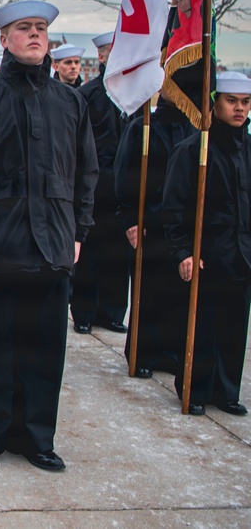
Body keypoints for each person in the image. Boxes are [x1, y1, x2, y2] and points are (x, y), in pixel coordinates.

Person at [0, 0, 98, 472]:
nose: (34, 35)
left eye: (41, 28)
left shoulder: (69, 102)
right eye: (24, 28)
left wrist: (79, 230)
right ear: (4, 39)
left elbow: (86, 172)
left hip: (53, 245)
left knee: (44, 347)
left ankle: (36, 437)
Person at [162, 72, 251, 416]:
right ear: (215, 103)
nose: (239, 109)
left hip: (241, 255)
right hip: (208, 255)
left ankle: (226, 391)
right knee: (202, 326)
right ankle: (195, 388)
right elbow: (174, 204)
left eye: (245, 102)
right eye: (232, 101)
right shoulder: (194, 149)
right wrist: (183, 250)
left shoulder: (247, 149)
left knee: (234, 328)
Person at [115, 93, 197, 378]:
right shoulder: (143, 126)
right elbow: (124, 172)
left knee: (177, 293)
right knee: (147, 290)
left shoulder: (195, 128)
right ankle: (142, 353)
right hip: (148, 221)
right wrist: (129, 218)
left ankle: (171, 353)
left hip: (181, 226)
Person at [71, 31, 129, 335]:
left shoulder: (136, 94)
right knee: (90, 253)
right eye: (111, 51)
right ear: (102, 57)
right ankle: (84, 311)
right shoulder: (87, 94)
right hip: (93, 186)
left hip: (123, 189)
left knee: (118, 254)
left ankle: (113, 311)